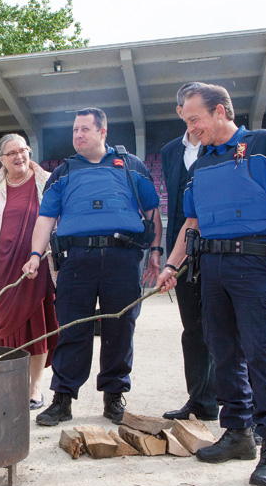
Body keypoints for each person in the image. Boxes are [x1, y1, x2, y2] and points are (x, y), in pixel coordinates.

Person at [156, 83, 266, 486]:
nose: (190, 129)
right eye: (186, 122)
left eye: (194, 120)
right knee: (222, 351)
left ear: (221, 111)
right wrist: (171, 264)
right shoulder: (201, 163)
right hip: (211, 265)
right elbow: (191, 222)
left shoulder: (264, 142)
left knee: (262, 353)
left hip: (255, 263)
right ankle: (239, 431)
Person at [22, 108, 163, 427]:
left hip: (122, 258)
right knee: (72, 327)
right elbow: (45, 219)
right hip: (76, 260)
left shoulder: (131, 166)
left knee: (121, 327)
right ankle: (63, 399)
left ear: (103, 131)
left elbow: (152, 210)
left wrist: (155, 252)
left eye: (85, 129)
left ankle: (114, 396)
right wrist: (35, 254)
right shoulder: (62, 172)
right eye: (74, 130)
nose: (77, 135)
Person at [0, 134, 59, 410]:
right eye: (12, 153)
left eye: (23, 150)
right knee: (4, 331)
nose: (19, 156)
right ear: (1, 159)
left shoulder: (49, 179)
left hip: (38, 268)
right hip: (1, 270)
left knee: (37, 329)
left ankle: (34, 387)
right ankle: (7, 384)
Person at [159, 82, 218, 422]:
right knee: (192, 329)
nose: (188, 113)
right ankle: (201, 401)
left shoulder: (228, 145)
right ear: (179, 111)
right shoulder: (169, 152)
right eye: (183, 107)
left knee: (228, 328)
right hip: (184, 251)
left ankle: (236, 402)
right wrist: (171, 258)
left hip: (221, 248)